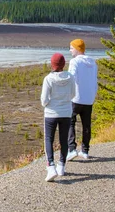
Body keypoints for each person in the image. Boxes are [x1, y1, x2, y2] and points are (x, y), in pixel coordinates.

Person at [40, 52, 75, 182]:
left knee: (48, 139)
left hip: (51, 113)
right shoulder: (70, 77)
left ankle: (51, 166)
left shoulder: (48, 79)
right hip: (66, 113)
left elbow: (44, 100)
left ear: (52, 64)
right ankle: (62, 166)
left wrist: (49, 104)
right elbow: (73, 94)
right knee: (64, 139)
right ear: (63, 64)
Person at [66, 39, 98, 161]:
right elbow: (95, 81)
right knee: (86, 125)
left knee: (70, 122)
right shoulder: (93, 62)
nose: (70, 50)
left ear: (78, 49)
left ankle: (72, 149)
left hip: (76, 98)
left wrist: (68, 94)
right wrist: (93, 95)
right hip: (89, 99)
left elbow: (71, 78)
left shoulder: (74, 62)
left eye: (71, 48)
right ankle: (85, 151)